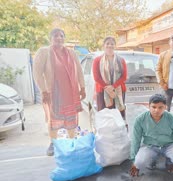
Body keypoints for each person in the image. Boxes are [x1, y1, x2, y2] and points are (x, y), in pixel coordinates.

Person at [33, 28, 86, 156]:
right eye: (56, 36)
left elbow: (79, 70)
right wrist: (43, 90)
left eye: (61, 36)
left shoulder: (71, 53)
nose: (59, 38)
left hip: (70, 94)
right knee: (53, 119)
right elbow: (37, 73)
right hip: (53, 94)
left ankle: (72, 141)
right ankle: (53, 143)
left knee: (71, 119)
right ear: (50, 38)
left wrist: (83, 87)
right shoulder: (44, 52)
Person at [130, 94, 173, 177]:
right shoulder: (140, 119)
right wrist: (134, 161)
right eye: (153, 107)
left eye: (160, 107)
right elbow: (136, 140)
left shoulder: (172, 118)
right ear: (148, 106)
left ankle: (169, 161)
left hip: (169, 145)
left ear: (165, 107)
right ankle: (151, 161)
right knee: (139, 163)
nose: (156, 110)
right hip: (150, 146)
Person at [92, 36, 127, 121]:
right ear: (104, 45)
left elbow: (124, 76)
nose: (110, 46)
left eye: (112, 44)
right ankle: (105, 133)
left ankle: (118, 133)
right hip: (102, 91)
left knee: (118, 115)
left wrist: (113, 87)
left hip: (118, 91)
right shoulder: (97, 60)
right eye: (107, 43)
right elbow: (96, 77)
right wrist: (107, 88)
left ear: (115, 46)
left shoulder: (121, 60)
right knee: (104, 116)